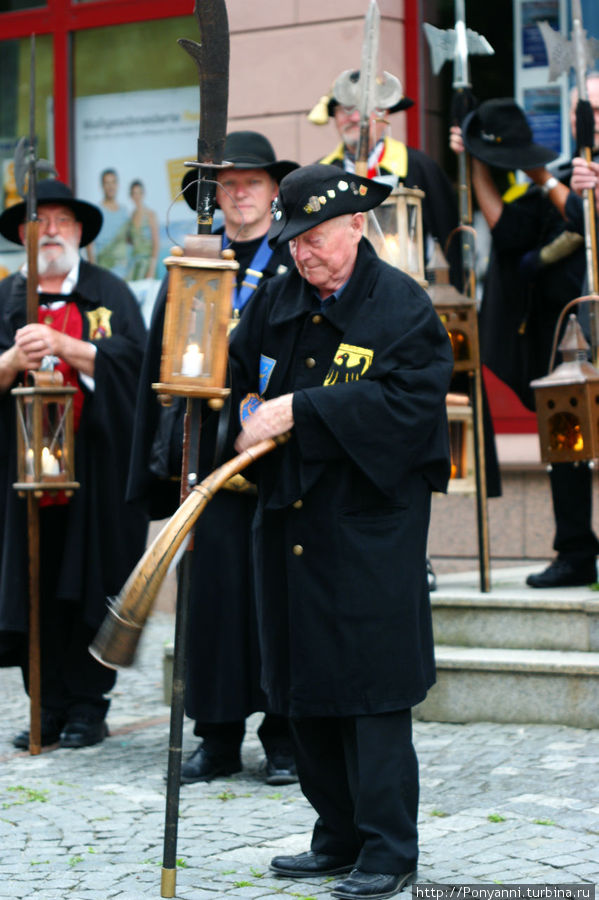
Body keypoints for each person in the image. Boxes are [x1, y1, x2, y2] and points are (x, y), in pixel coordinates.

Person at [225, 164, 453, 899]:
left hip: (367, 532)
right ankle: (336, 834)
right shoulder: (278, 296)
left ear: (357, 225)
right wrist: (244, 412)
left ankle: (388, 848)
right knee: (303, 685)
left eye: (316, 239)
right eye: (294, 241)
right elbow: (241, 375)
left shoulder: (402, 307)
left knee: (371, 693)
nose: (303, 254)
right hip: (290, 522)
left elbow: (409, 407)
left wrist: (299, 412)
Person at [127, 131, 300, 784]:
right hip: (204, 457)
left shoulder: (291, 260)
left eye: (250, 182)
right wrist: (165, 456)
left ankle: (282, 738)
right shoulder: (194, 262)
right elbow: (160, 364)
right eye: (226, 184)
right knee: (212, 606)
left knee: (275, 604)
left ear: (273, 190)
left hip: (276, 457)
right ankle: (216, 736)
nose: (238, 195)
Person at [0, 178, 148, 748]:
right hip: (21, 479)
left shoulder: (112, 293)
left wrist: (69, 347)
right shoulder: (5, 298)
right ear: (23, 234)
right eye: (42, 221)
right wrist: (14, 359)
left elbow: (139, 367)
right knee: (32, 581)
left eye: (63, 221)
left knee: (91, 581)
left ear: (82, 232)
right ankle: (46, 704)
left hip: (98, 467)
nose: (53, 231)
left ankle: (89, 704)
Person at [450, 97, 599, 588]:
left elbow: (583, 219)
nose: (589, 117)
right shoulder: (560, 180)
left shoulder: (569, 184)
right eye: (588, 109)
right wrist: (477, 162)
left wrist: (553, 182)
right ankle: (576, 553)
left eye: (595, 108)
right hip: (567, 337)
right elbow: (509, 232)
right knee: (568, 444)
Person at [310, 70, 462, 287]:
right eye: (346, 108)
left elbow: (449, 241)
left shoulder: (419, 167)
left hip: (408, 292)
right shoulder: (321, 173)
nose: (355, 117)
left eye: (365, 107)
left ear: (385, 112)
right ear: (334, 116)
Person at [88, 168, 130, 278]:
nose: (110, 187)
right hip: (103, 270)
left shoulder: (124, 211)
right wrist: (93, 271)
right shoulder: (97, 211)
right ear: (102, 186)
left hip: (123, 272)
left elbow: (128, 240)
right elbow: (90, 244)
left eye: (113, 182)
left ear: (117, 185)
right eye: (107, 183)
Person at [126, 180, 160, 281]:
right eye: (134, 193)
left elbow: (156, 244)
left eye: (139, 193)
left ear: (143, 194)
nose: (137, 196)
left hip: (147, 264)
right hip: (134, 264)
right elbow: (130, 240)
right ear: (131, 196)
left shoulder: (150, 215)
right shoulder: (131, 216)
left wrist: (151, 269)